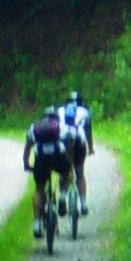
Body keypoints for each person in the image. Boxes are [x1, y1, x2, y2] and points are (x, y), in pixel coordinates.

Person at [23, 104, 71, 238]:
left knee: (39, 189)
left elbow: (27, 148)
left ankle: (37, 223)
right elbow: (68, 145)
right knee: (67, 174)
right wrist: (67, 161)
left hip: (41, 161)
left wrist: (26, 164)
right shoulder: (61, 126)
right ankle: (62, 198)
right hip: (58, 158)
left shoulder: (34, 127)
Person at [60, 88, 94, 211]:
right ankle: (83, 203)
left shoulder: (61, 110)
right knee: (80, 172)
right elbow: (88, 132)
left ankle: (62, 198)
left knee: (65, 171)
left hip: (63, 142)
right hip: (79, 143)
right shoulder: (85, 111)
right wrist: (90, 148)